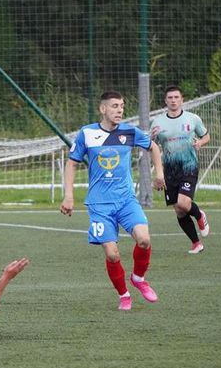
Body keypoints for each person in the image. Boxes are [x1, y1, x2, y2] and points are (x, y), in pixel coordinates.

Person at [60, 91, 166, 311]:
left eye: (122, 106)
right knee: (112, 253)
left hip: (126, 200)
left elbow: (154, 147)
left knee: (144, 240)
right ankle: (124, 294)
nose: (119, 110)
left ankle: (138, 278)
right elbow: (71, 164)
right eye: (115, 106)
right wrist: (69, 196)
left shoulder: (130, 131)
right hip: (100, 205)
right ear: (103, 109)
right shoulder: (87, 133)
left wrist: (159, 175)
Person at [150, 85, 210, 254]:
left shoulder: (193, 119)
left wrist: (200, 142)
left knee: (184, 203)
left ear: (182, 100)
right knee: (179, 210)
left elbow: (206, 136)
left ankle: (199, 216)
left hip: (188, 165)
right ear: (165, 101)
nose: (173, 100)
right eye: (170, 98)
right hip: (169, 169)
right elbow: (151, 145)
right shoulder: (158, 122)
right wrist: (151, 138)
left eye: (176, 97)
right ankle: (196, 243)